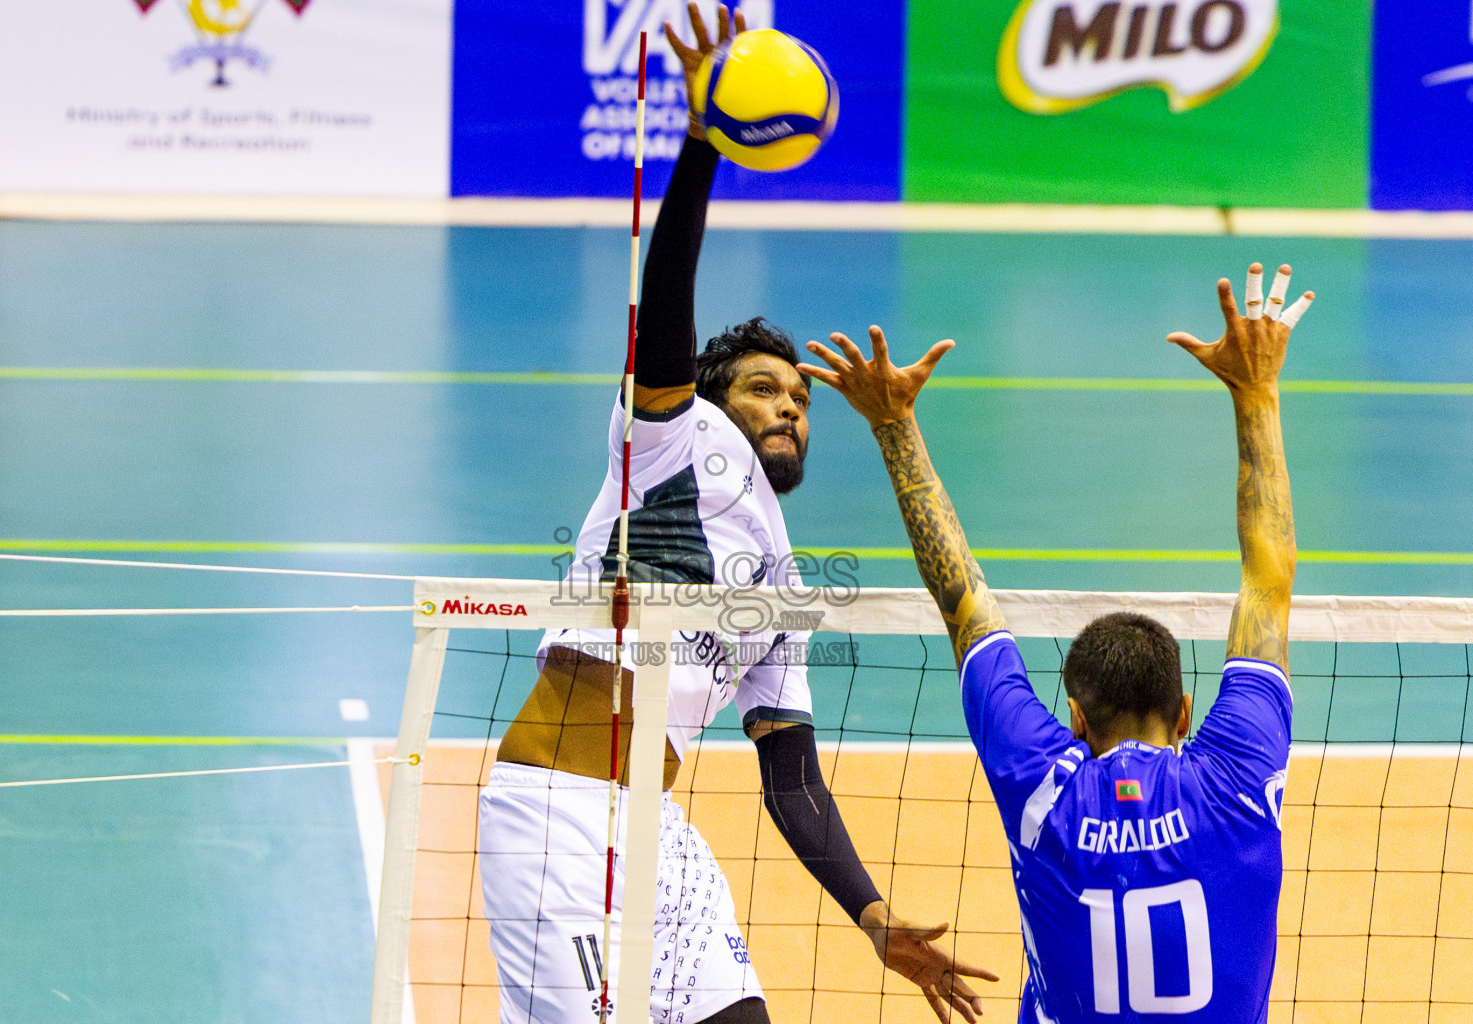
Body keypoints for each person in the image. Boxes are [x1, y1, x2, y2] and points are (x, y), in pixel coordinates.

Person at [477, 5, 998, 1023]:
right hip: (560, 819)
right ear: (714, 397)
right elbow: (667, 306)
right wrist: (700, 146)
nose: (789, 407)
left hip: (657, 830)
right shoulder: (673, 440)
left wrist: (874, 915)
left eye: (799, 400)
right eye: (765, 388)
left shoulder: (782, 582)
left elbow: (790, 774)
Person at [800, 264, 1312, 1023]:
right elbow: (1269, 576)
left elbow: (963, 601)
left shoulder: (1045, 787)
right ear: (1185, 713)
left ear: (1073, 717)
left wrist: (893, 425)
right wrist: (1257, 392)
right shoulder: (1236, 776)